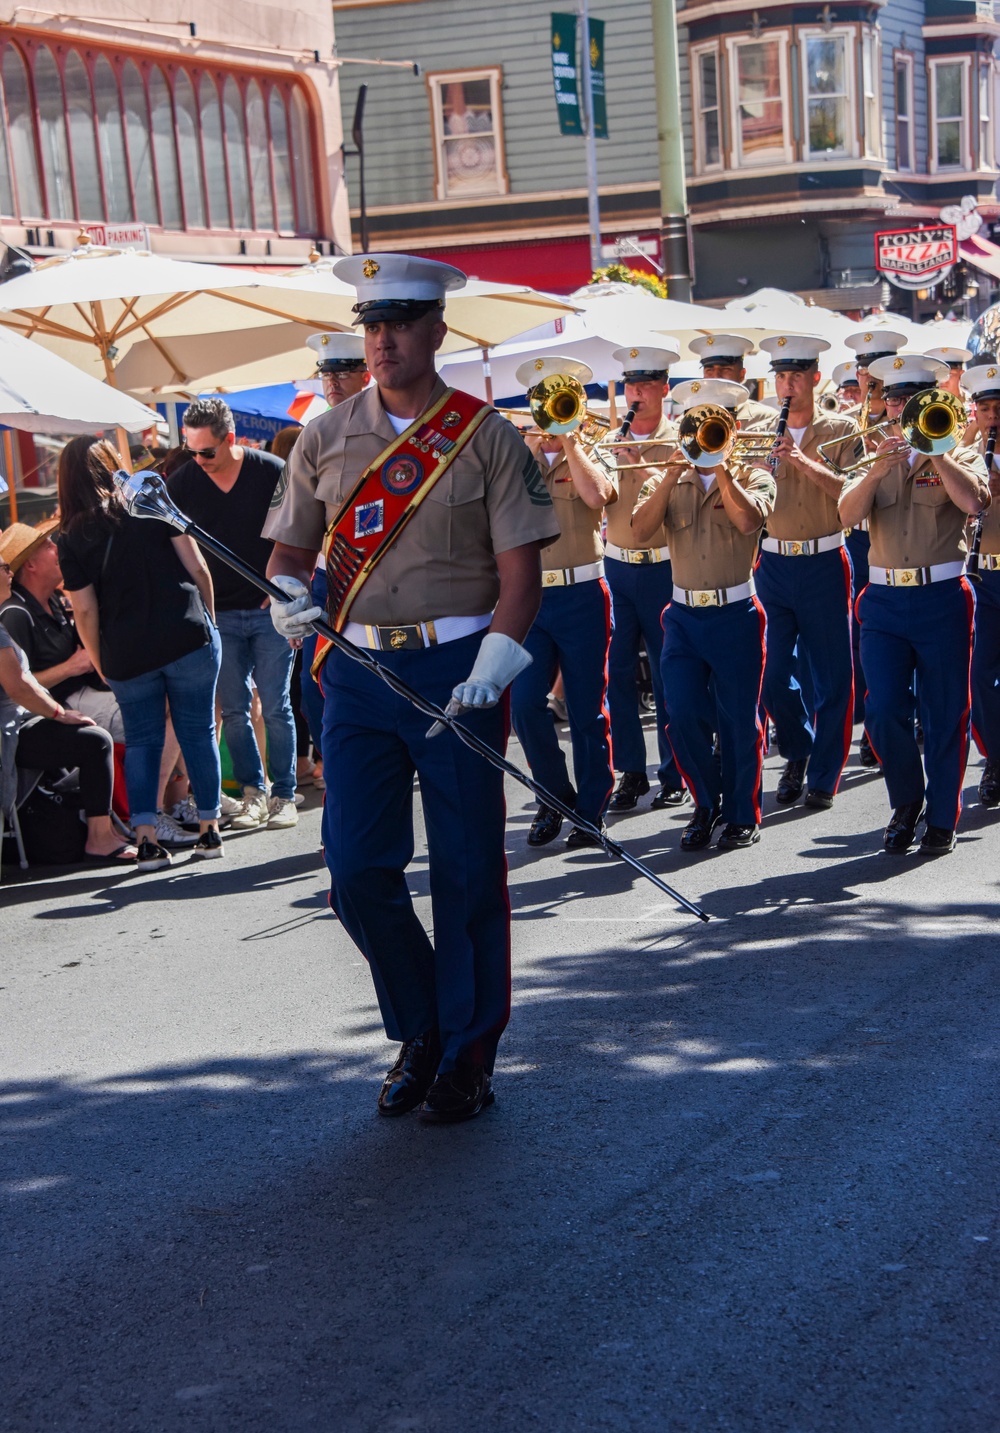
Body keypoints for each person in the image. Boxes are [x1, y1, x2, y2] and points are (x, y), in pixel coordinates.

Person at [263, 252, 559, 1124]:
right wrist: (287, 599)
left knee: (467, 871)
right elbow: (289, 552)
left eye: (399, 323)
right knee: (355, 868)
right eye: (372, 325)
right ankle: (424, 1023)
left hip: (459, 668)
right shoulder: (324, 435)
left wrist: (496, 664)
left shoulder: (485, 435)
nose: (383, 340)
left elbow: (522, 576)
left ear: (437, 330)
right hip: (355, 671)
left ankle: (468, 1053)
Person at [839, 353, 988, 856]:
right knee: (881, 711)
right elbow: (846, 516)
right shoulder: (871, 452)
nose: (901, 409)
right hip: (882, 597)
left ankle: (942, 817)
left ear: (936, 403)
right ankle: (907, 803)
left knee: (945, 712)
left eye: (913, 401)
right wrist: (878, 468)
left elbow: (975, 503)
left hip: (942, 594)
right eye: (895, 399)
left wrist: (938, 450)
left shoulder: (961, 449)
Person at [56, 436, 225, 872]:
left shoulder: (70, 535)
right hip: (187, 635)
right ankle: (209, 829)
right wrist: (210, 619)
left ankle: (147, 840)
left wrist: (99, 660)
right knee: (198, 731)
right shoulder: (149, 498)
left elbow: (85, 610)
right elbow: (198, 566)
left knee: (144, 742)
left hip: (126, 652)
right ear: (112, 463)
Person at [631, 377, 776, 851]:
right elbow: (639, 530)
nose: (705, 433)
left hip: (735, 612)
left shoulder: (755, 476)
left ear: (732, 428)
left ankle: (740, 813)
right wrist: (675, 473)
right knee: (681, 715)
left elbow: (749, 521)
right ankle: (705, 803)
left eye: (715, 425)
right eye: (697, 424)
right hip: (683, 616)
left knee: (738, 720)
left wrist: (723, 469)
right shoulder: (666, 478)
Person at [168, 397, 298, 832]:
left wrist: (281, 584)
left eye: (208, 451)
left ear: (232, 440)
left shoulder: (269, 470)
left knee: (276, 705)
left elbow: (300, 528)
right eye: (192, 451)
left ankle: (284, 794)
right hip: (219, 613)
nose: (200, 460)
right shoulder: (184, 481)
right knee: (236, 710)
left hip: (268, 608)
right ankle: (252, 794)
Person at [508, 355, 617, 848]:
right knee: (526, 704)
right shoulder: (516, 456)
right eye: (544, 401)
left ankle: (591, 809)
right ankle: (553, 797)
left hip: (582, 592)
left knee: (586, 708)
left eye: (558, 401)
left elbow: (599, 498)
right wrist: (529, 446)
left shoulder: (595, 448)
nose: (550, 413)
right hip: (530, 594)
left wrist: (570, 440)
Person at [754, 335, 861, 811]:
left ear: (816, 377)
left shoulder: (840, 429)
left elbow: (853, 496)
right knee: (771, 672)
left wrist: (804, 461)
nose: (788, 385)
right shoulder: (760, 429)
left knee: (832, 674)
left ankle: (823, 775)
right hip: (772, 561)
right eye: (780, 376)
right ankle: (797, 748)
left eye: (797, 375)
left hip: (823, 558)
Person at [0, 554, 135, 863]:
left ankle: (115, 825)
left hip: (18, 724)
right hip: (10, 733)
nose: (10, 573)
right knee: (94, 740)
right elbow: (18, 685)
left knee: (90, 735)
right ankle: (100, 837)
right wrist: (59, 713)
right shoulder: (12, 617)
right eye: (4, 568)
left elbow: (25, 682)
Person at [603, 344, 688, 812]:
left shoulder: (681, 439)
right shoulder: (609, 438)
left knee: (666, 671)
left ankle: (673, 770)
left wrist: (646, 459)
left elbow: (684, 502)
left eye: (645, 385)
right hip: (615, 565)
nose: (636, 393)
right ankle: (630, 771)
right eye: (631, 385)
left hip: (663, 566)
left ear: (663, 389)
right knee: (617, 675)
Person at [299, 331, 370, 780]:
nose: (333, 382)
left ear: (367, 374)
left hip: (383, 576)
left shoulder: (397, 430)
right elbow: (299, 526)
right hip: (328, 579)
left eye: (343, 372)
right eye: (326, 373)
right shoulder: (315, 437)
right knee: (314, 688)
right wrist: (294, 591)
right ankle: (336, 779)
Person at [960, 362, 1000, 806]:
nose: (992, 416)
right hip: (983, 574)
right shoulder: (966, 451)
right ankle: (994, 758)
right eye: (985, 408)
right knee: (982, 675)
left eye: (998, 408)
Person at [688, 333, 777, 428]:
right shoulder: (688, 422)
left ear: (742, 375)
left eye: (725, 369)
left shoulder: (767, 420)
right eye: (709, 370)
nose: (716, 376)